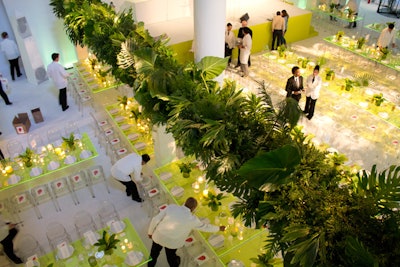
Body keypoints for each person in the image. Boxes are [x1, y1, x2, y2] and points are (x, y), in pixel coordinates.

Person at [147, 197, 226, 267]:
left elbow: (155, 219)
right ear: (193, 208)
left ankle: (150, 265)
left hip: (158, 236)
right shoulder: (192, 220)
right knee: (171, 257)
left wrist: (150, 232)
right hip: (172, 242)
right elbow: (205, 227)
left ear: (185, 202)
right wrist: (218, 228)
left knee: (153, 254)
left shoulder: (171, 207)